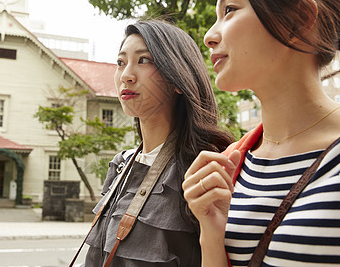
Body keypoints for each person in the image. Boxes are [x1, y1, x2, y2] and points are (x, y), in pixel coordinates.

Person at [183, 0, 340, 266]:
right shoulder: (232, 164)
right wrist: (211, 231)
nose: (210, 36)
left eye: (230, 10)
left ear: (299, 19)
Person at [82, 19, 234, 266]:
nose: (126, 75)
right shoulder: (121, 165)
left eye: (144, 60)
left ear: (177, 77)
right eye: (120, 63)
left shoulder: (205, 168)